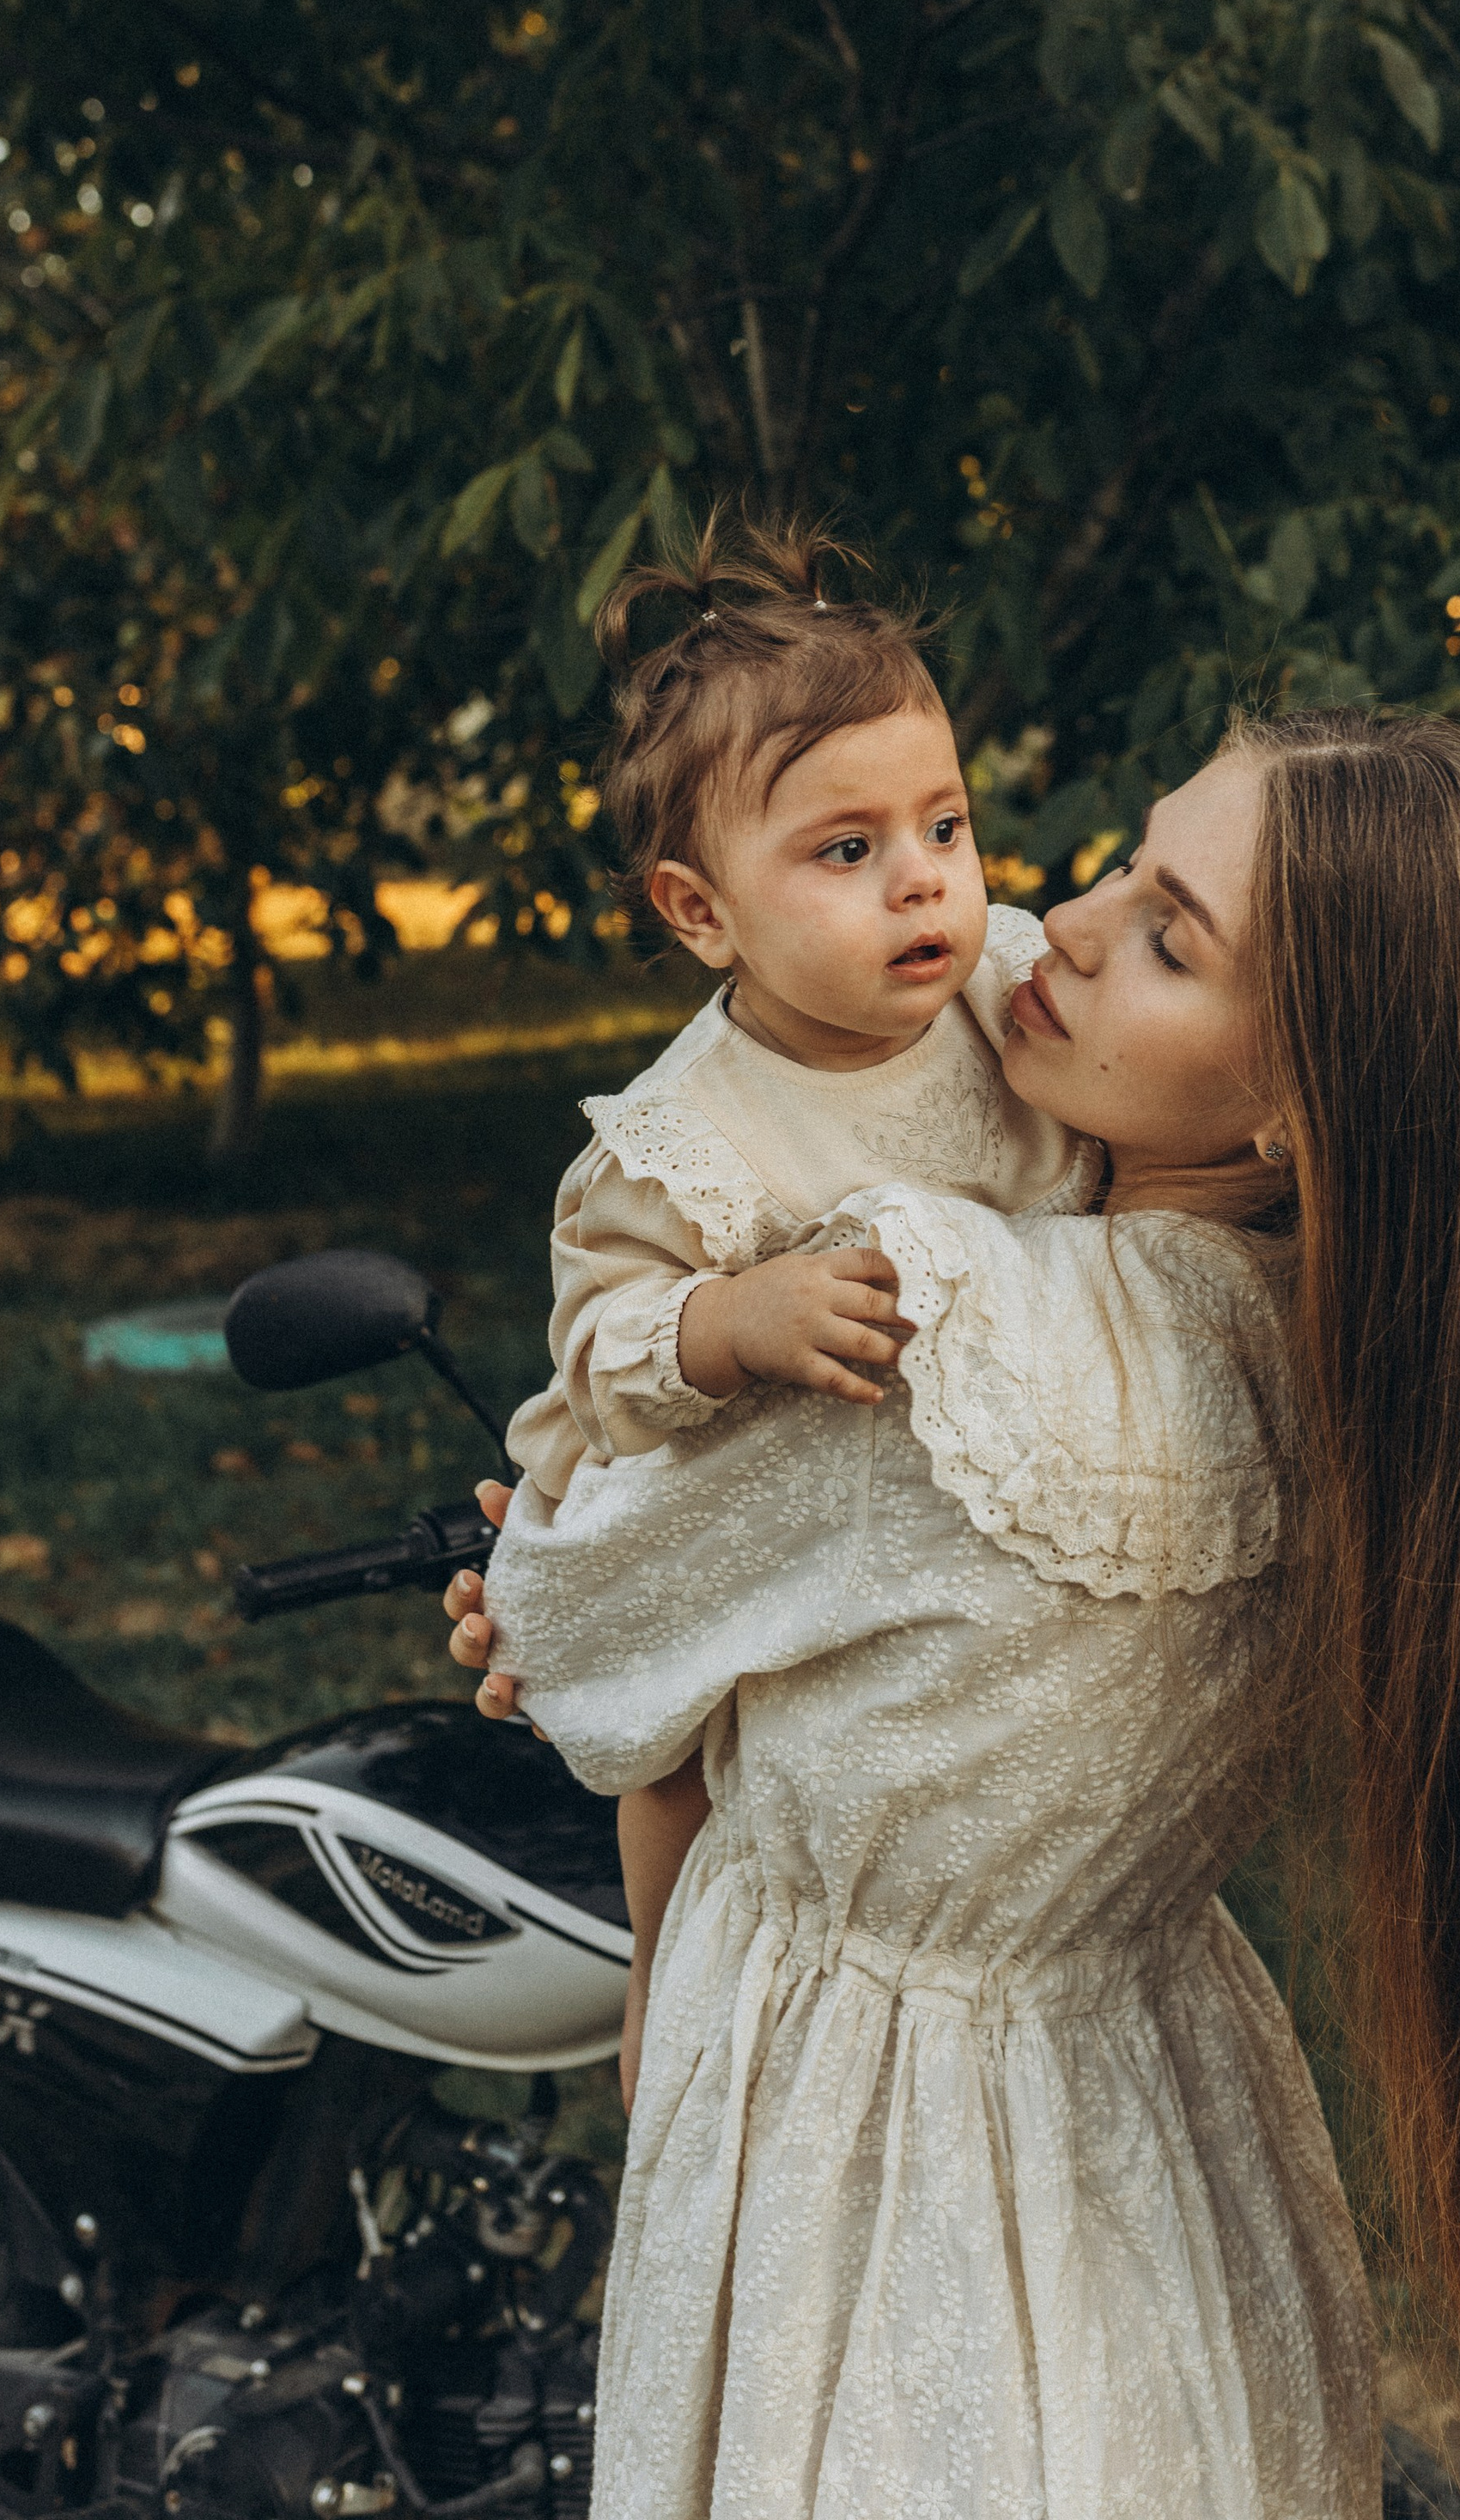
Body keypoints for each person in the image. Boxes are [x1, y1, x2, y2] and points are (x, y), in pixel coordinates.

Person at [449, 709, 1460, 2520]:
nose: (1056, 928)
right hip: (1159, 2151)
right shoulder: (1389, 1379)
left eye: (1170, 938)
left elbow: (573, 1624)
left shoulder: (945, 1326)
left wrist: (540, 1570)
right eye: (1125, 860)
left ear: (1302, 1104)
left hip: (866, 2178)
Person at [501, 508, 1094, 2102]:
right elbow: (599, 1340)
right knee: (686, 1756)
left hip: (950, 1501)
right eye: (848, 852)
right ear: (702, 912)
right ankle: (659, 1980)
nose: (926, 884)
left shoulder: (1008, 987)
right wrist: (737, 1317)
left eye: (948, 826)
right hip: (718, 1493)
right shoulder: (691, 1131)